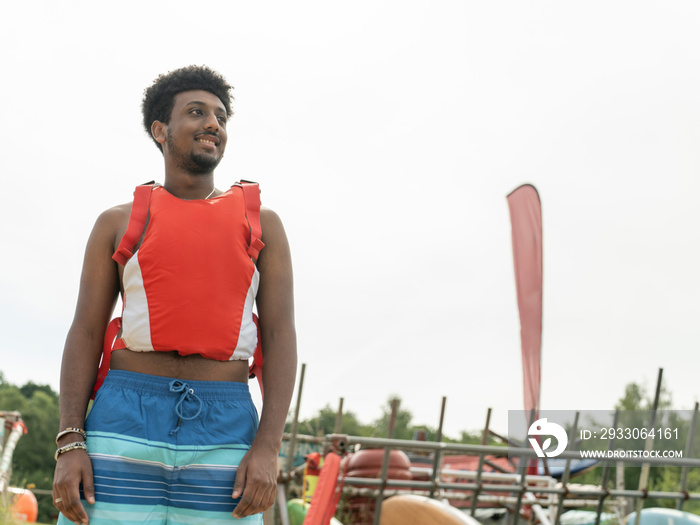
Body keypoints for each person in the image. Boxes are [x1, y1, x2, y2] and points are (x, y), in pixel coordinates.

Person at [52, 65, 297, 524]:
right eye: (197, 112)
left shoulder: (263, 224)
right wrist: (70, 442)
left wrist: (267, 447)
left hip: (226, 428)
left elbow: (282, 336)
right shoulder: (118, 222)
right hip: (122, 418)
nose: (213, 125)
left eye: (221, 118)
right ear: (160, 130)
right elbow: (85, 331)